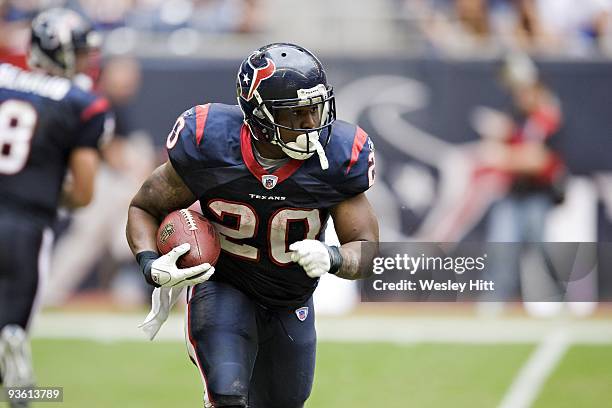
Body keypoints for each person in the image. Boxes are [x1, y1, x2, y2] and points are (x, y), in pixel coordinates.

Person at [126, 43, 379, 408]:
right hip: (223, 284)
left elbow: (366, 247)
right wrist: (151, 264)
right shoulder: (209, 142)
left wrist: (333, 257)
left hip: (290, 299)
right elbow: (143, 207)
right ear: (259, 116)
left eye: (316, 109)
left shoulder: (337, 156)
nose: (312, 124)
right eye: (296, 114)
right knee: (228, 396)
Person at [0, 8, 111, 406]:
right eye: (81, 53)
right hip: (26, 224)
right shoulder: (82, 104)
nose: (88, 62)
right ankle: (19, 387)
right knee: (11, 330)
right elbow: (82, 193)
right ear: (60, 52)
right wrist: (47, 188)